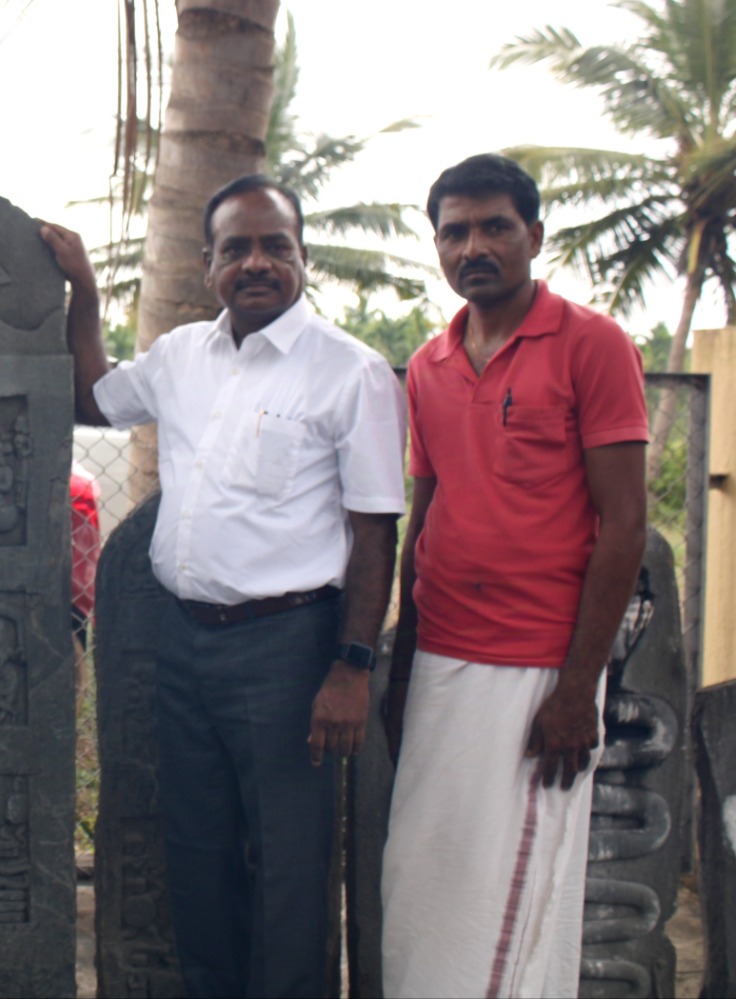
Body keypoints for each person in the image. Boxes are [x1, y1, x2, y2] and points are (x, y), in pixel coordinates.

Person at [43, 173, 407, 997]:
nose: (256, 263)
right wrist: (86, 292)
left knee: (287, 868)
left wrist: (351, 665)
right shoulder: (181, 357)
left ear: (303, 257)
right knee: (197, 854)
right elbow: (92, 399)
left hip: (289, 649)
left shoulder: (350, 374)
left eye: (275, 246)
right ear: (208, 263)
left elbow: (373, 531)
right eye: (236, 248)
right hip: (184, 644)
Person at [381, 153, 648, 998]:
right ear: (437, 247)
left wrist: (577, 689)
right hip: (441, 659)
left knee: (509, 901)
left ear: (534, 234)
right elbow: (426, 511)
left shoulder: (592, 344)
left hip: (539, 669)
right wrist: (402, 655)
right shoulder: (428, 362)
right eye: (454, 231)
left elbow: (625, 526)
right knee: (421, 882)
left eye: (495, 225)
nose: (475, 245)